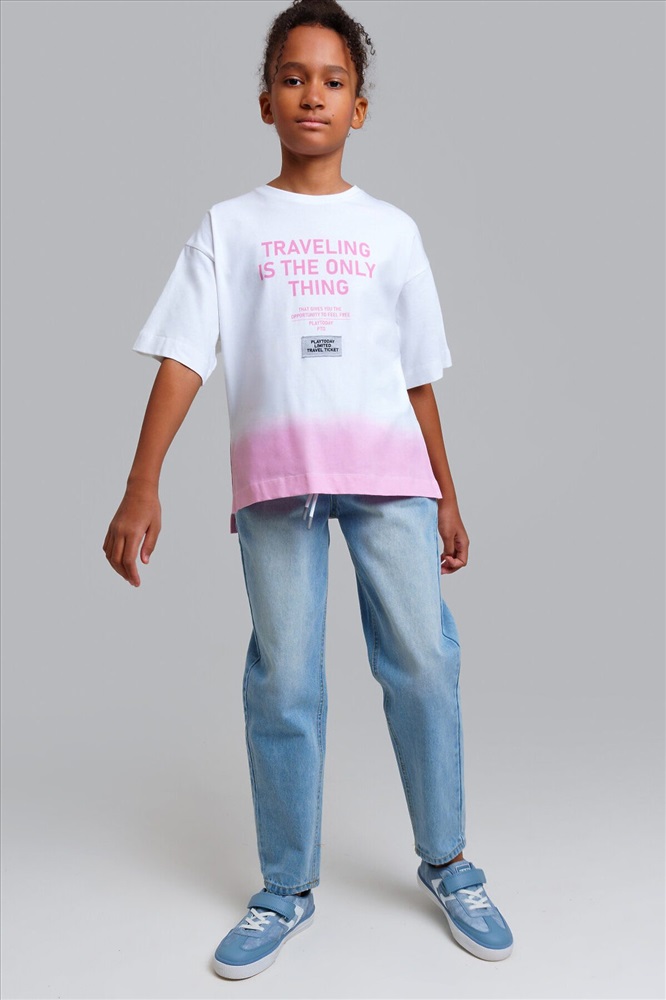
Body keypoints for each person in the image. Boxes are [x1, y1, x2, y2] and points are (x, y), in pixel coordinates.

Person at [103, 0, 513, 979]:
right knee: (285, 681)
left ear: (359, 107)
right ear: (265, 101)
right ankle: (285, 885)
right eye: (293, 78)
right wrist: (140, 483)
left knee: (423, 661)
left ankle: (450, 861)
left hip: (390, 475)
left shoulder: (392, 232)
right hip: (278, 480)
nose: (312, 95)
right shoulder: (231, 227)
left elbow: (417, 376)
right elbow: (182, 358)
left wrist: (447, 493)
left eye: (332, 81)